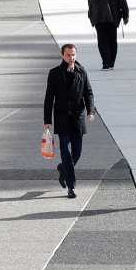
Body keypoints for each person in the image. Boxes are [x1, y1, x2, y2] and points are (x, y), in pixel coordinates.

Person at [44, 44, 96, 199]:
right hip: (62, 118)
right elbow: (49, 98)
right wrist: (47, 120)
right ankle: (71, 186)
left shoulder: (82, 71)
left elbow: (89, 93)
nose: (71, 58)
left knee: (77, 153)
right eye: (68, 55)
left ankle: (62, 169)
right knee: (66, 153)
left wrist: (90, 111)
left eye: (73, 55)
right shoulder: (54, 73)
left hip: (78, 118)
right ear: (62, 55)